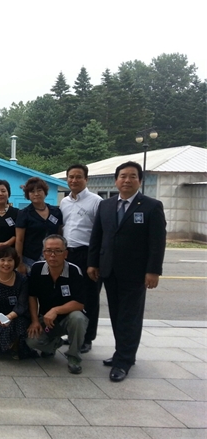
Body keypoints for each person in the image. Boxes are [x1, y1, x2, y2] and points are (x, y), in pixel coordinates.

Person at [88, 161, 167, 382]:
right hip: (109, 270)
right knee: (115, 313)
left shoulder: (151, 206)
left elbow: (157, 242)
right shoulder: (106, 205)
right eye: (123, 176)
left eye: (132, 176)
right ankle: (121, 352)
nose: (127, 180)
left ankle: (124, 361)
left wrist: (153, 271)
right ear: (116, 180)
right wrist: (93, 263)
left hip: (135, 273)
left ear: (139, 180)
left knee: (129, 316)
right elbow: (97, 237)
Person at [26, 235, 88, 374]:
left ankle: (74, 357)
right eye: (48, 250)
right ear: (43, 253)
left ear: (65, 254)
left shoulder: (74, 271)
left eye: (58, 251)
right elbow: (32, 296)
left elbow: (80, 304)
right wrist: (35, 321)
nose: (52, 255)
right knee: (31, 341)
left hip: (68, 319)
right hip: (46, 319)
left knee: (78, 318)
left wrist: (56, 310)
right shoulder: (36, 269)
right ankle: (54, 343)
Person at [60, 164, 102, 354]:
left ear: (86, 179)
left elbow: (101, 232)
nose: (74, 180)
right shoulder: (64, 202)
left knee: (89, 297)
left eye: (78, 177)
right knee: (70, 295)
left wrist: (94, 261)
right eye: (71, 177)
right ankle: (73, 334)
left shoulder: (96, 201)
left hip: (87, 254)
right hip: (67, 254)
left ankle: (87, 338)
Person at [0, 246, 34, 360]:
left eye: (10, 260)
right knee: (3, 330)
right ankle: (8, 345)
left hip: (18, 314)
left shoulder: (22, 280)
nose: (6, 263)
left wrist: (9, 317)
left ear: (15, 262)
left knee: (18, 324)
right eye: (2, 260)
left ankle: (17, 346)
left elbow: (22, 304)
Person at [15, 177, 63, 274]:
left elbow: (60, 233)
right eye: (32, 191)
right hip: (30, 258)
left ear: (45, 192)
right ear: (28, 195)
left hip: (53, 257)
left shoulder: (56, 211)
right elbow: (19, 240)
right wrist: (19, 263)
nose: (36, 194)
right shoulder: (24, 213)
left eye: (39, 190)